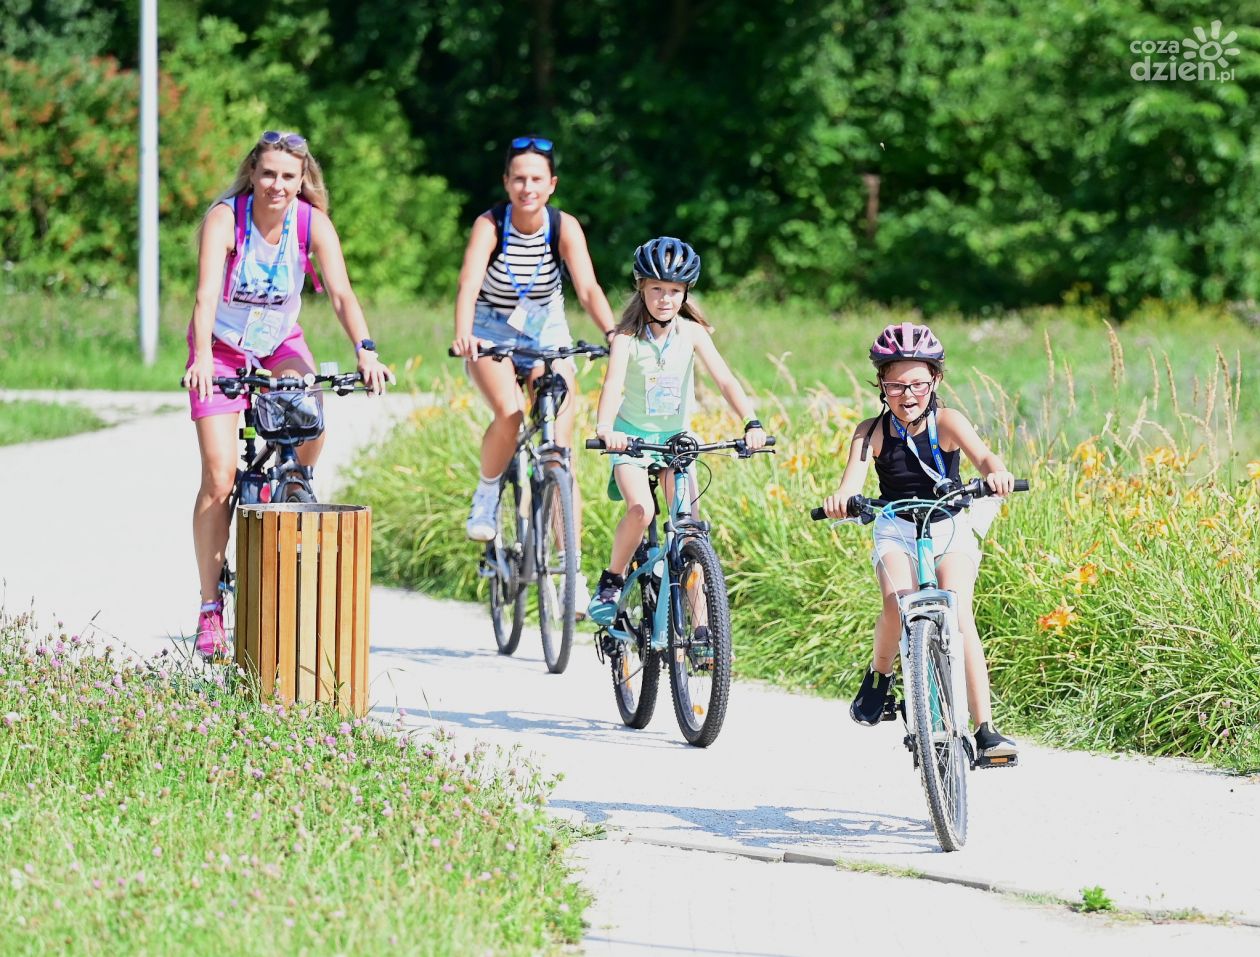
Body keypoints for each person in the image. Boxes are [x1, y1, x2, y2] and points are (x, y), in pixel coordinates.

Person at [182, 130, 391, 660]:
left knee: (309, 415)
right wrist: (204, 358)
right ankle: (210, 607)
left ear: (304, 182)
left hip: (278, 343)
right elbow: (207, 293)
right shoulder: (226, 219)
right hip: (222, 347)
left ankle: (295, 475)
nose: (278, 185)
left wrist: (365, 350)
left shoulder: (310, 223)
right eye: (269, 173)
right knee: (219, 475)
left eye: (289, 177)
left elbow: (341, 293)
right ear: (253, 173)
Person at [820, 322, 1018, 760]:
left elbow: (983, 456)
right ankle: (880, 677)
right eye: (895, 385)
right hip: (895, 527)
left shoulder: (948, 421)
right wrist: (842, 499)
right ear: (880, 386)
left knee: (958, 607)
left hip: (947, 525)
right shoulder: (869, 432)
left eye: (917, 384)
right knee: (897, 602)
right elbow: (851, 478)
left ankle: (985, 729)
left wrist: (995, 473)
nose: (907, 395)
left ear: (935, 381)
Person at [450, 134, 617, 607]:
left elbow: (587, 287)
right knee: (509, 413)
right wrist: (465, 334)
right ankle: (486, 494)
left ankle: (572, 576)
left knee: (560, 454)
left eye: (536, 179)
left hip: (547, 334)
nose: (527, 187)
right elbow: (467, 284)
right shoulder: (491, 224)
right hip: (490, 332)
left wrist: (611, 334)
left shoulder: (563, 226)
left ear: (552, 184)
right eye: (519, 178)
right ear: (506, 182)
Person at [587, 237, 766, 623]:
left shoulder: (693, 334)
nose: (665, 298)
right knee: (642, 508)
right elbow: (613, 385)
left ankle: (704, 629)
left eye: (674, 291)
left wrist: (751, 422)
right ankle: (612, 580)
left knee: (689, 529)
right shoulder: (626, 339)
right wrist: (605, 428)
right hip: (631, 441)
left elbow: (726, 381)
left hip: (675, 443)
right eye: (656, 289)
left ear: (685, 293)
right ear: (642, 289)